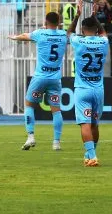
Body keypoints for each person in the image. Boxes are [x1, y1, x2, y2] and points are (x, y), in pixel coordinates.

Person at [9, 11, 68, 152]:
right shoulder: (63, 35)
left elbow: (24, 36)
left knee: (29, 105)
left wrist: (14, 37)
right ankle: (56, 142)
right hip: (55, 80)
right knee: (56, 110)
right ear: (59, 22)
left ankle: (31, 136)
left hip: (40, 78)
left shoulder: (40, 34)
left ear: (46, 21)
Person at [68, 0, 109, 166]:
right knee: (94, 124)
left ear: (83, 30)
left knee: (84, 123)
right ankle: (90, 154)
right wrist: (95, 17)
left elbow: (69, 32)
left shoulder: (79, 41)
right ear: (97, 30)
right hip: (98, 89)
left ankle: (92, 156)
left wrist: (77, 15)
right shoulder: (103, 41)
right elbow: (104, 33)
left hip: (82, 89)